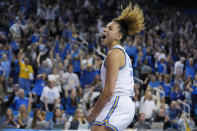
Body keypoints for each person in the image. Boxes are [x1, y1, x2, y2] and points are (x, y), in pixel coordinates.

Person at [85, 3, 145, 131]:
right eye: (105, 28)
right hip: (120, 103)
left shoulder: (114, 53)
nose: (105, 30)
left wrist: (92, 114)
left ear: (119, 36)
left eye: (110, 29)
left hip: (118, 101)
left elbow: (109, 91)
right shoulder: (118, 53)